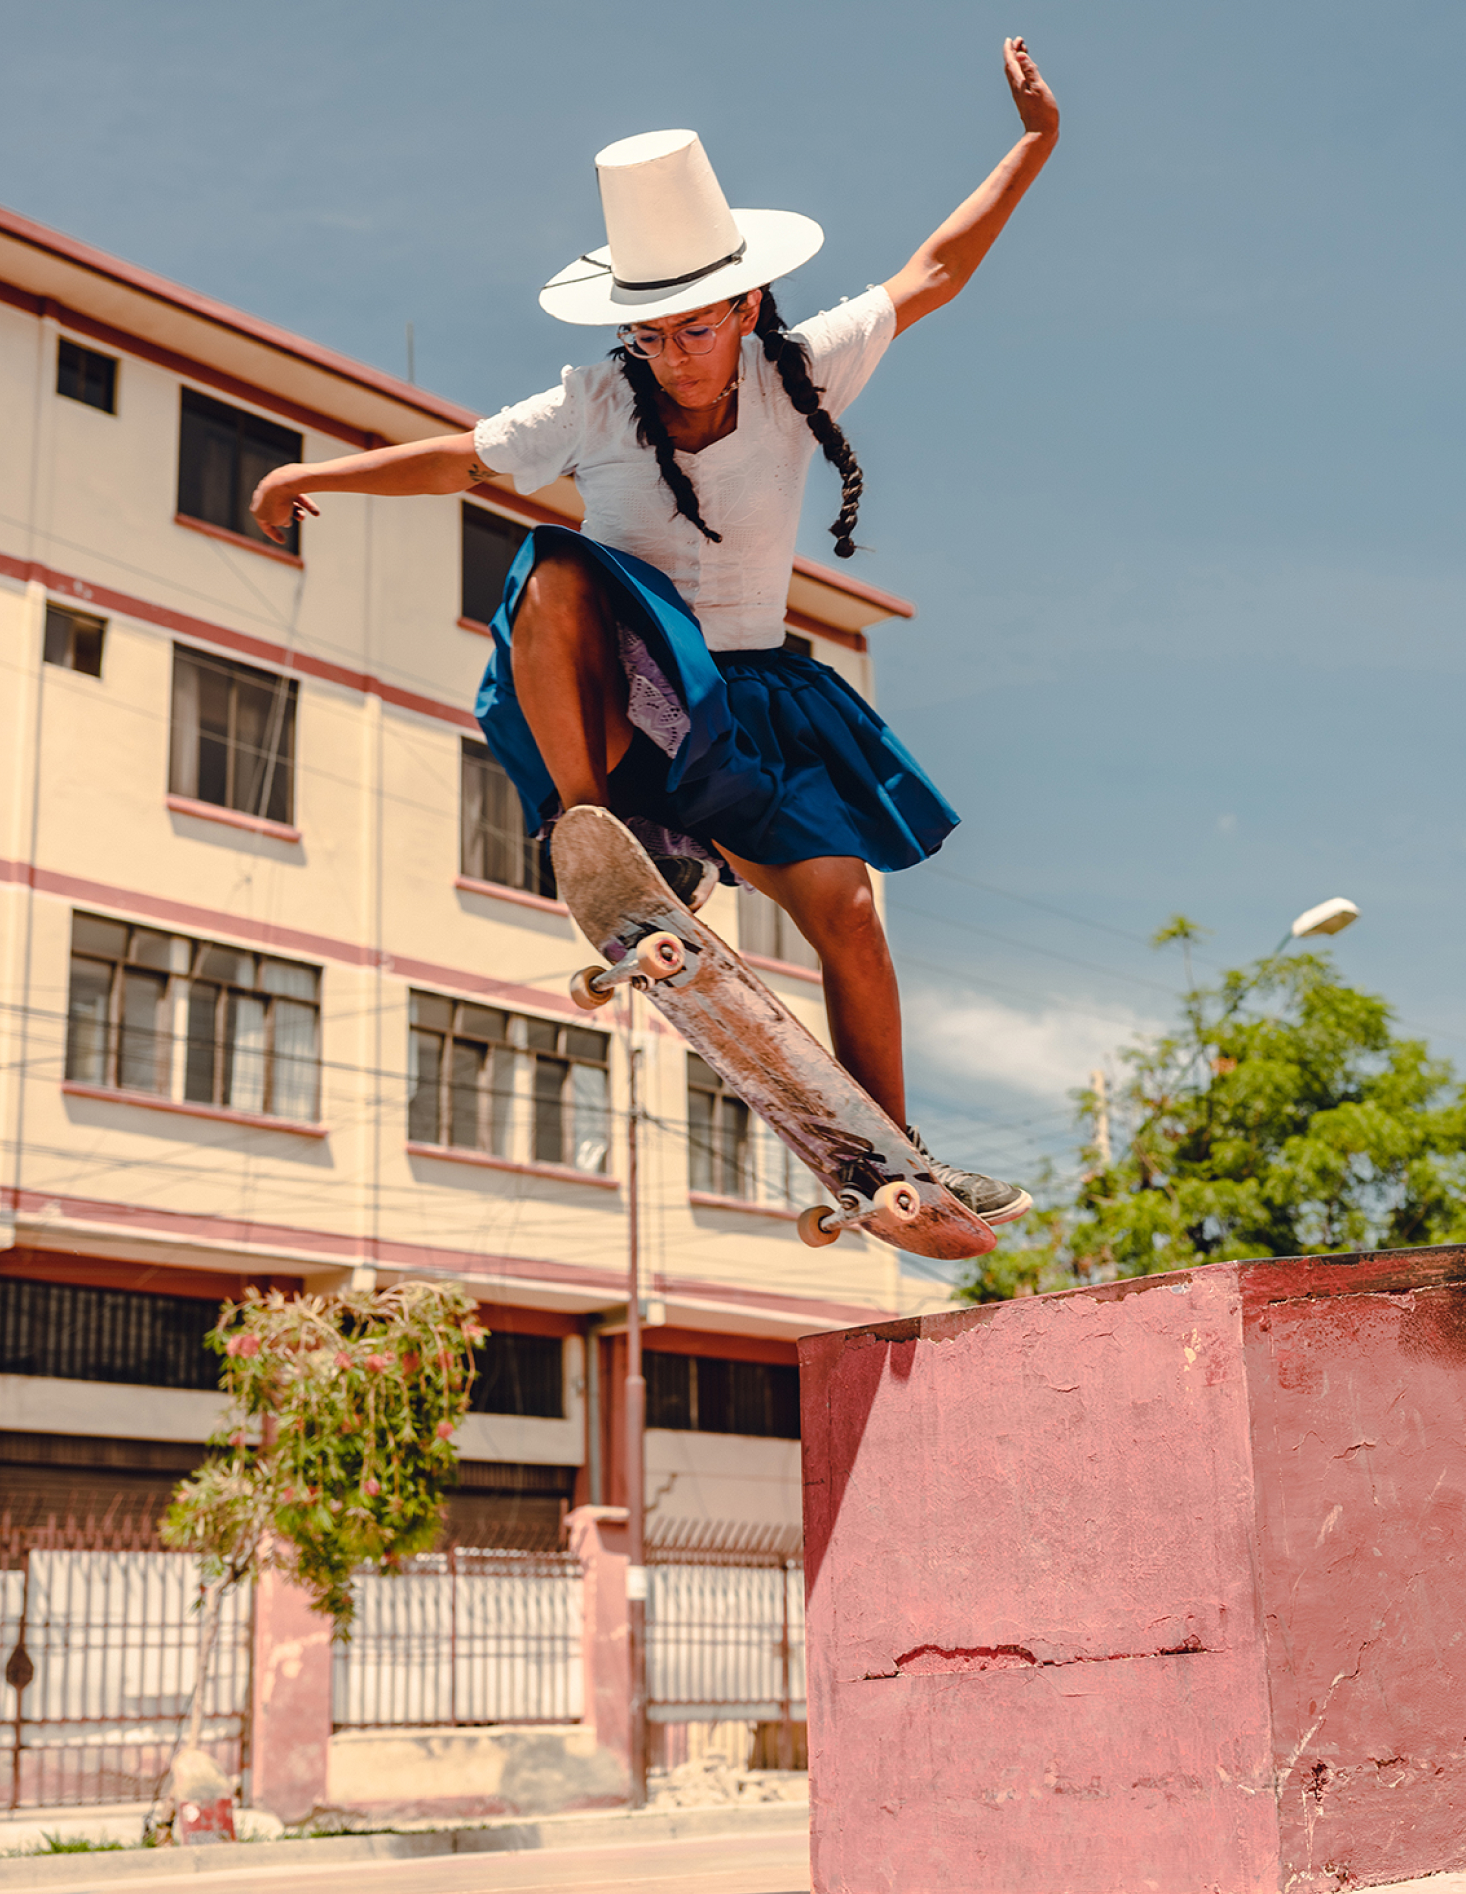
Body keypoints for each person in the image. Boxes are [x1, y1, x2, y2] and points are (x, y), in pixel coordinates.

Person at [251, 39, 1059, 1223]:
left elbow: (933, 272)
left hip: (749, 712)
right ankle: (608, 833)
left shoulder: (803, 374)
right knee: (557, 571)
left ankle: (893, 1157)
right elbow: (453, 461)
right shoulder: (591, 402)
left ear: (742, 304)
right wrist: (315, 471)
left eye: (695, 327)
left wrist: (1033, 144)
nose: (674, 356)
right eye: (652, 335)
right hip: (629, 708)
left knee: (847, 913)